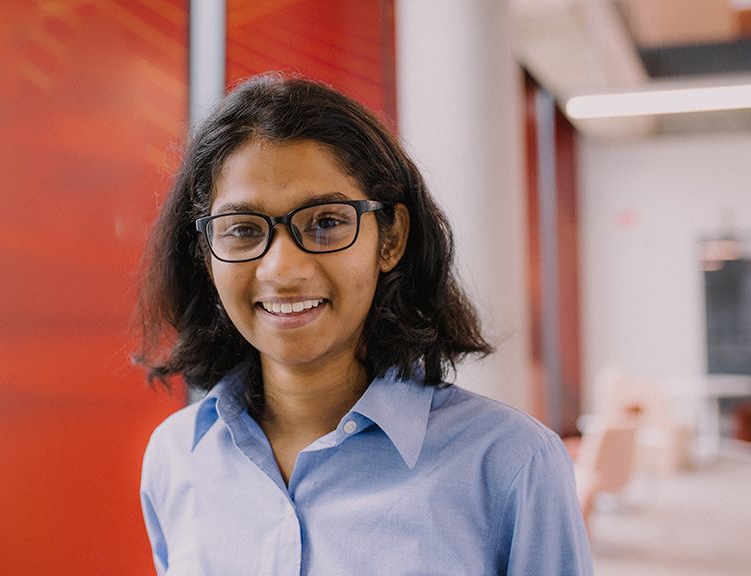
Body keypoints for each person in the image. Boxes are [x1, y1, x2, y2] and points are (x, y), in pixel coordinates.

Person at [135, 73, 592, 575]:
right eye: (242, 230)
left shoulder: (511, 465)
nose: (282, 270)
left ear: (390, 239)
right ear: (206, 254)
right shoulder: (176, 459)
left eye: (326, 222)